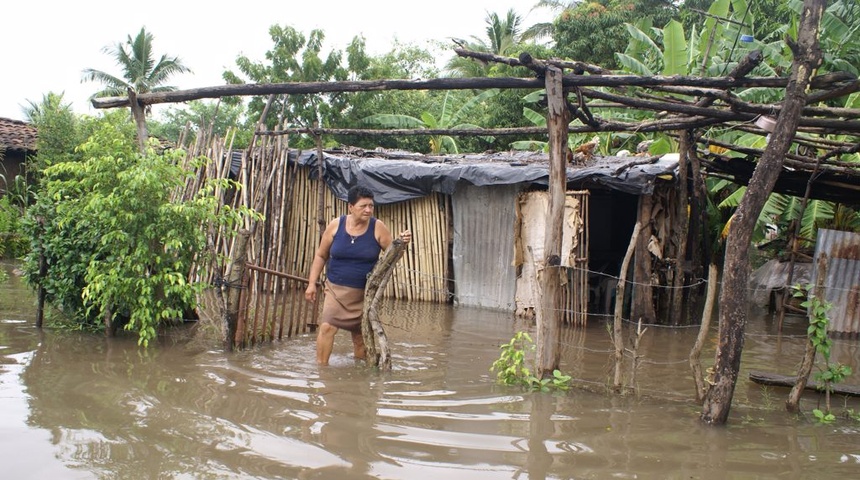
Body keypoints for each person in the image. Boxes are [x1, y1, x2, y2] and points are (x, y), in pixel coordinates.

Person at [304, 185, 412, 365]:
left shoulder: (378, 227)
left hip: (365, 294)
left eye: (371, 206)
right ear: (351, 207)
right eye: (363, 206)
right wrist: (311, 284)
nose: (368, 210)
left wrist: (401, 243)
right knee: (327, 327)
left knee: (360, 337)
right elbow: (321, 255)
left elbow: (393, 255)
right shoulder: (335, 225)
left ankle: (360, 374)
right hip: (335, 291)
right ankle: (321, 370)